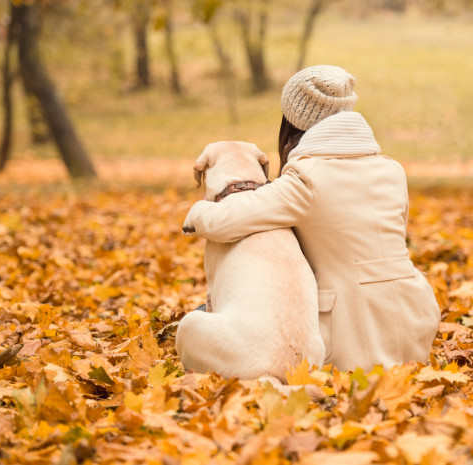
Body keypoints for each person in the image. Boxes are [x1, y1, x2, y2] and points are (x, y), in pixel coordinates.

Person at [182, 65, 441, 372]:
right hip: (415, 319)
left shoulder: (307, 178)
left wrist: (196, 213)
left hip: (351, 332)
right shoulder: (390, 169)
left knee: (207, 317)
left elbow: (228, 221)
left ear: (293, 121)